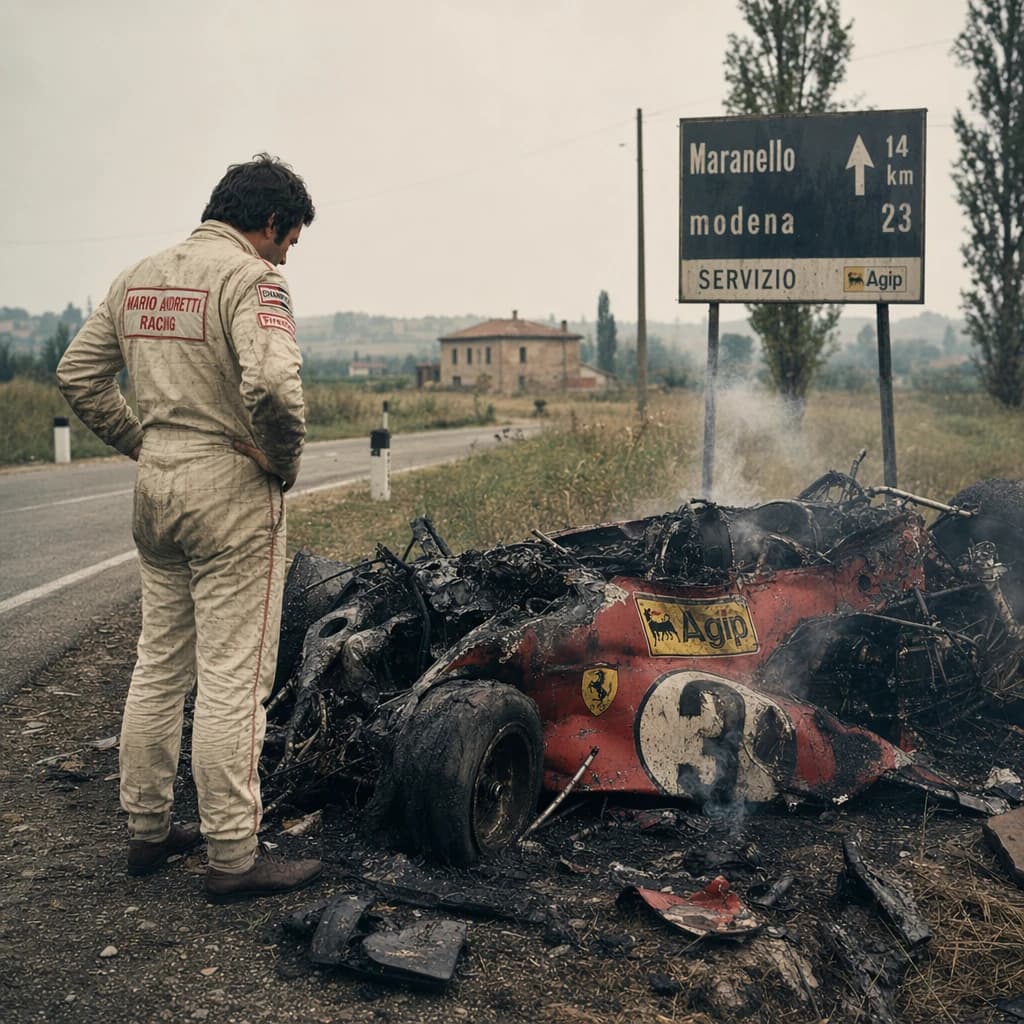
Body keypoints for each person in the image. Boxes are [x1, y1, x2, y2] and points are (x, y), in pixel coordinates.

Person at [57, 154, 323, 902]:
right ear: (270, 222)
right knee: (234, 677)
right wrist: (281, 461)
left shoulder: (138, 277)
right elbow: (273, 386)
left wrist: (143, 442)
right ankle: (233, 855)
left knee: (159, 662)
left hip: (157, 485)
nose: (286, 256)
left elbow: (78, 374)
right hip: (230, 487)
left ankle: (147, 828)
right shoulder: (253, 279)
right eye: (289, 241)